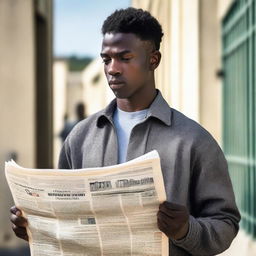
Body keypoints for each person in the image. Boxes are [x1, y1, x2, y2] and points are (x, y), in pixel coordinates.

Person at [10, 7, 240, 256]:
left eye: (125, 57)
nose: (112, 69)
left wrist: (186, 230)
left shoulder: (194, 141)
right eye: (106, 59)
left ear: (154, 59)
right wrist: (35, 227)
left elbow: (225, 224)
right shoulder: (80, 138)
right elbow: (66, 222)